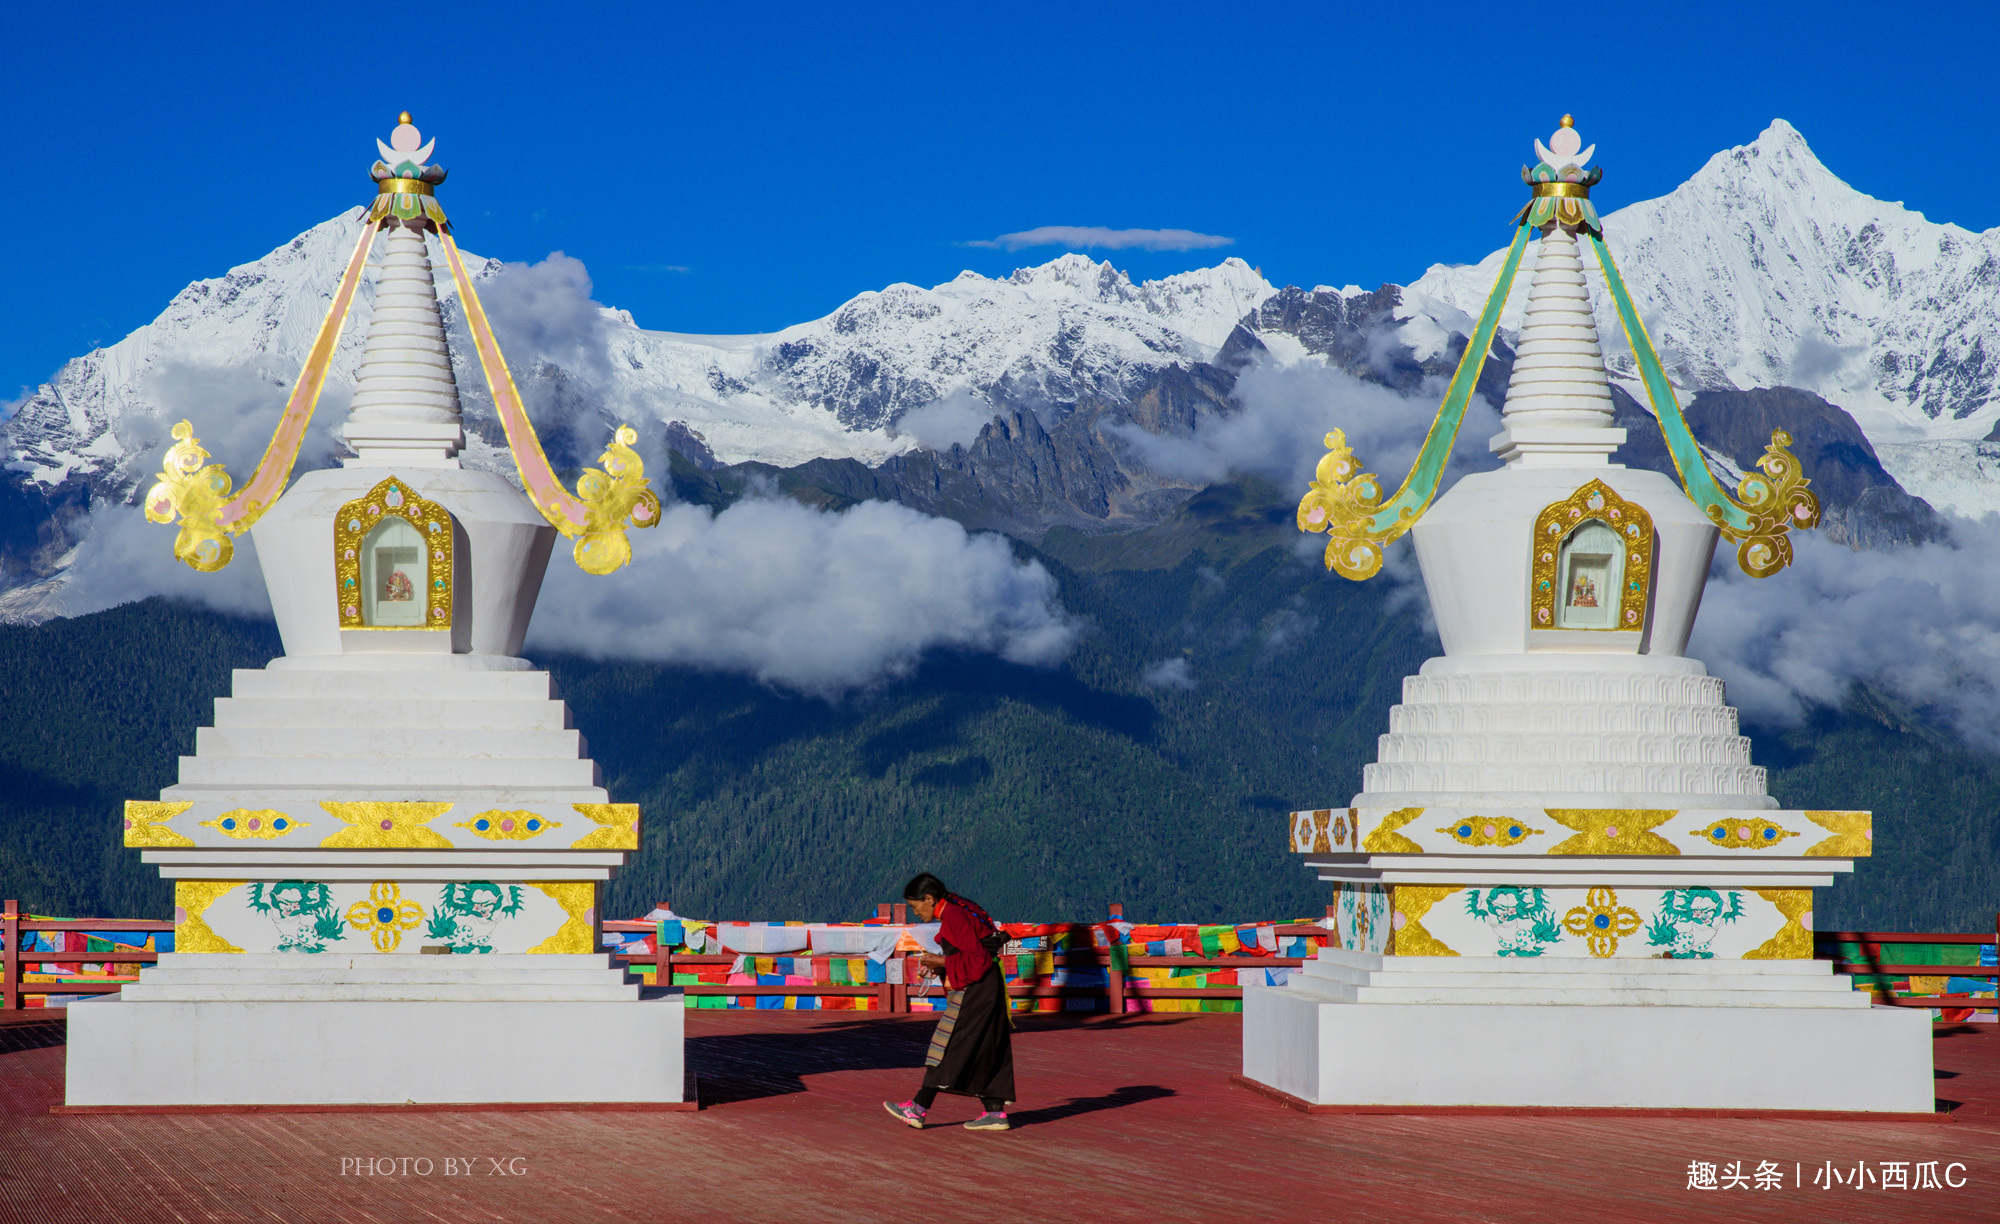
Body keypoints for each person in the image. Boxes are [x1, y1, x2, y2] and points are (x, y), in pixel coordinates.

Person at [882, 873, 1015, 1131]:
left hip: (975, 991)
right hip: (989, 988)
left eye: (915, 906)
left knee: (949, 1043)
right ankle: (995, 1112)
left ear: (929, 899)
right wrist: (939, 965)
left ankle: (918, 1108)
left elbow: (978, 960)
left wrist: (941, 962)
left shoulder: (953, 914)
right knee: (986, 1047)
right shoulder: (960, 906)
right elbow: (974, 951)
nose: (915, 912)